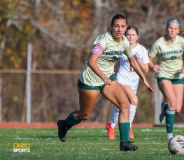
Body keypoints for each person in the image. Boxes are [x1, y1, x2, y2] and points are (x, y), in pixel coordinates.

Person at [57, 14, 154, 151]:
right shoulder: (103, 41)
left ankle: (124, 142)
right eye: (116, 26)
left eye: (122, 26)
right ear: (111, 27)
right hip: (90, 80)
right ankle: (63, 125)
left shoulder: (125, 42)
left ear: (126, 28)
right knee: (84, 115)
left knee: (125, 104)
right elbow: (91, 61)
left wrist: (144, 80)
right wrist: (103, 77)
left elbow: (132, 60)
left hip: (107, 79)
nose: (119, 29)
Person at [148, 18, 184, 139]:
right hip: (163, 74)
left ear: (178, 30)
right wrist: (153, 66)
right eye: (170, 28)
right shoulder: (159, 43)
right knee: (172, 102)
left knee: (177, 108)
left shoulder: (182, 42)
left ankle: (164, 107)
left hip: (178, 76)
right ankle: (169, 135)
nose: (172, 30)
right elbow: (148, 59)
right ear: (166, 28)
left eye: (175, 28)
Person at [105, 26, 149, 140]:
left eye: (133, 35)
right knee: (134, 100)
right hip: (121, 79)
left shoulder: (142, 50)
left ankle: (111, 125)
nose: (130, 37)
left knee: (122, 105)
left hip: (133, 82)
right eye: (128, 34)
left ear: (137, 36)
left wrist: (138, 61)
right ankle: (128, 126)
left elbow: (146, 70)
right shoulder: (121, 46)